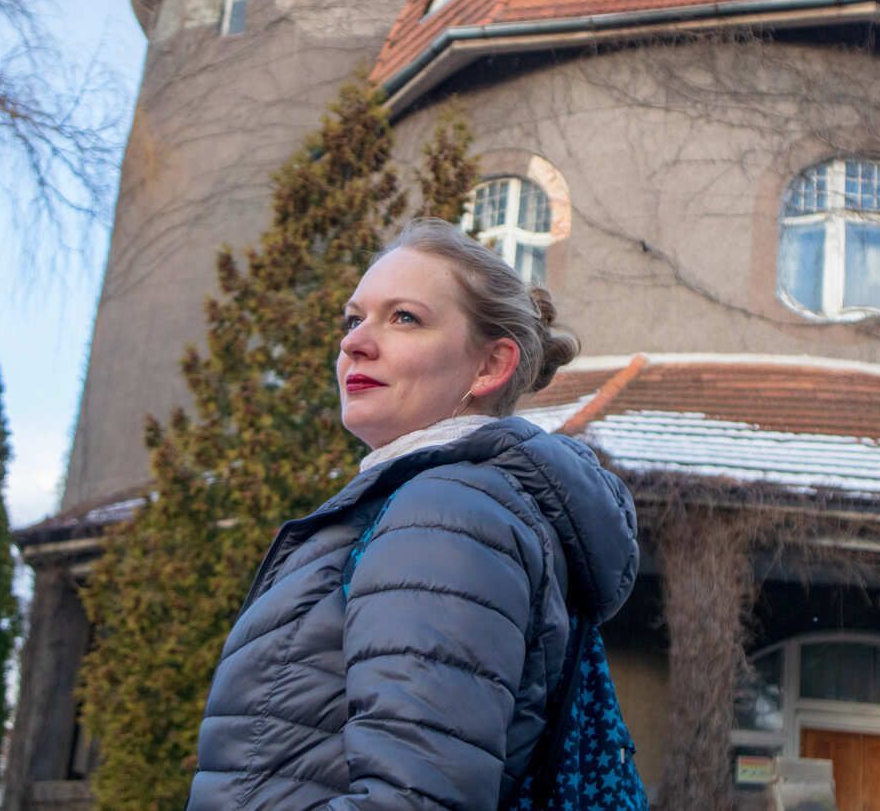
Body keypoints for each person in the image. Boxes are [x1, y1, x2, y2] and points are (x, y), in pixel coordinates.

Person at [187, 218, 641, 810]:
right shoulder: (437, 505)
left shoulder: (444, 514)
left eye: (404, 317)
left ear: (489, 367)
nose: (355, 342)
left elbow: (415, 798)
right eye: (355, 319)